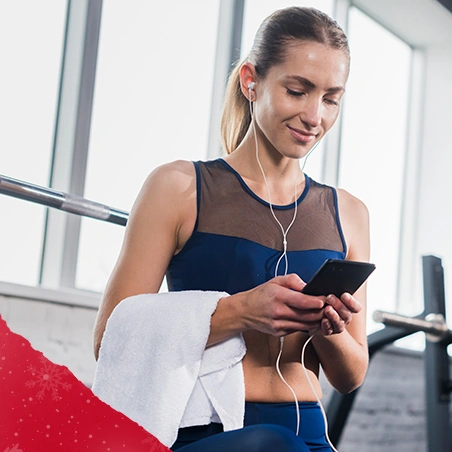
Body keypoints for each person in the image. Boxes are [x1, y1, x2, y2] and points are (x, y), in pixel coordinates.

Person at [92, 6, 370, 452]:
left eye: (331, 98)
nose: (314, 116)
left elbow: (351, 376)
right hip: (208, 430)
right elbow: (111, 341)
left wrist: (328, 328)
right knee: (273, 445)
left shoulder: (349, 212)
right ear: (250, 81)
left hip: (308, 434)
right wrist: (241, 311)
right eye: (297, 91)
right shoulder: (179, 187)